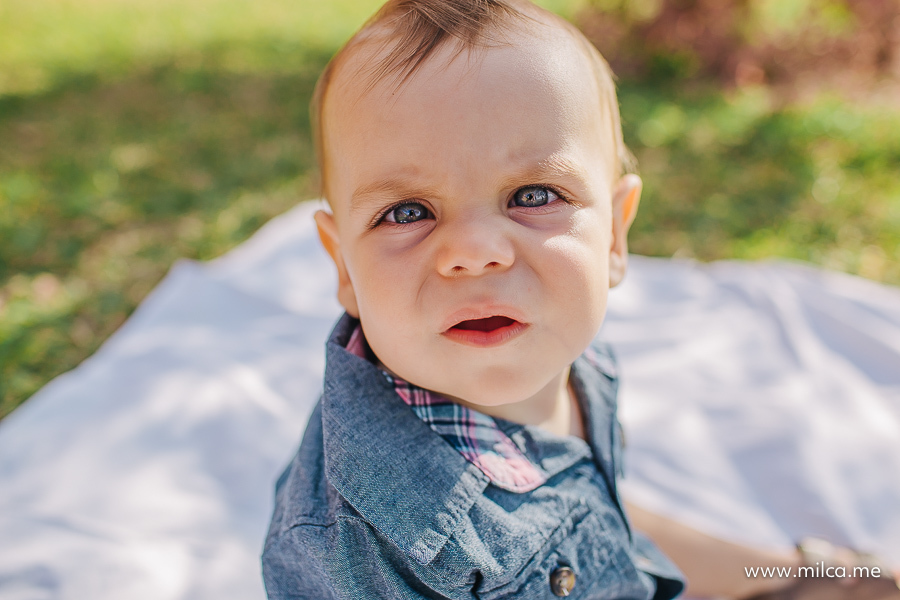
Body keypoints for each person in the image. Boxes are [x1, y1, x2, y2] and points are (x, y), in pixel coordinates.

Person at [261, 1, 899, 598]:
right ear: (342, 263)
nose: (476, 251)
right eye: (407, 211)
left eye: (533, 196)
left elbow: (584, 514)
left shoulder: (563, 350)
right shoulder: (356, 552)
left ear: (615, 235)